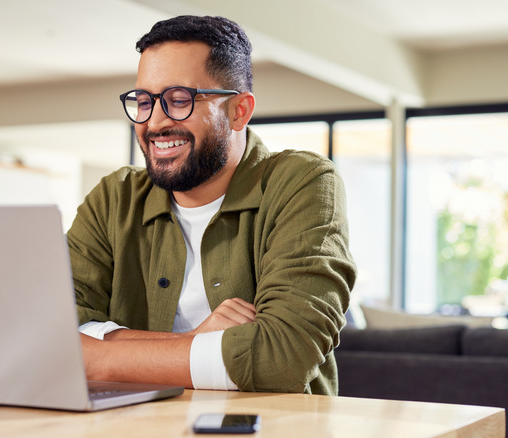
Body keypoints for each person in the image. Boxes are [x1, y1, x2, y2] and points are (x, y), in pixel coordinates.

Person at [68, 15, 356, 395]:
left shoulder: (302, 183)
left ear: (239, 110)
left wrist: (97, 358)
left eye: (179, 100)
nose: (154, 123)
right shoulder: (113, 198)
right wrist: (198, 343)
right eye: (143, 101)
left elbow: (283, 356)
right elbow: (51, 330)